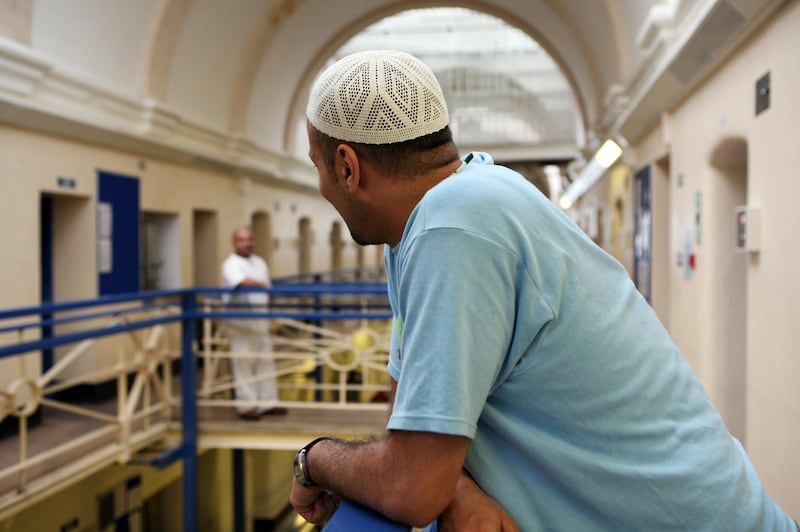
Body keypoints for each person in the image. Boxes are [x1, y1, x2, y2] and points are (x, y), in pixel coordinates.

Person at [290, 50, 798, 531]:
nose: (322, 185)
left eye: (317, 167)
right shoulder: (426, 226)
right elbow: (412, 416)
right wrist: (459, 488)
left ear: (347, 166)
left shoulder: (454, 227)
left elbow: (411, 486)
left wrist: (312, 460)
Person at [221, 226, 286, 419]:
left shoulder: (260, 262)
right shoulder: (230, 264)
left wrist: (269, 310)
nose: (246, 243)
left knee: (265, 361)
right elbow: (240, 282)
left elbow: (268, 290)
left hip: (260, 321)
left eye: (249, 239)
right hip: (239, 324)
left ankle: (268, 402)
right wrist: (261, 285)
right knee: (244, 363)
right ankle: (247, 405)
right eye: (241, 240)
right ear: (234, 243)